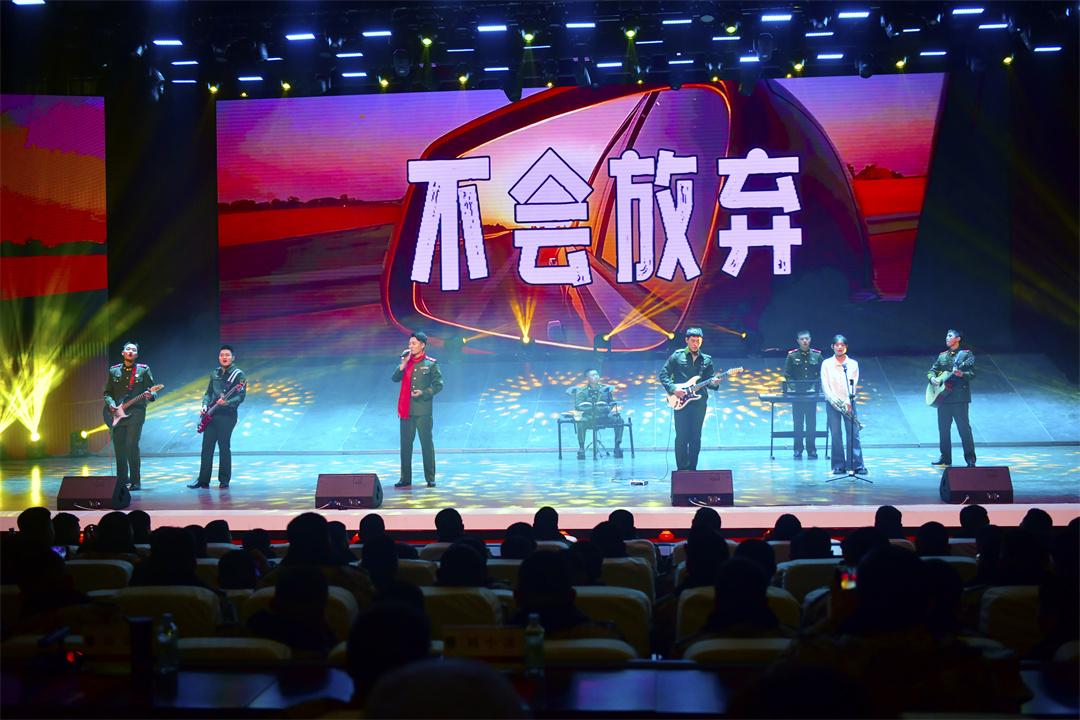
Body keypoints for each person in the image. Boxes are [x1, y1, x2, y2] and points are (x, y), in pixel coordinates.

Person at [659, 327, 726, 471]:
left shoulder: (706, 359)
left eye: (698, 341)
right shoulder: (677, 356)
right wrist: (673, 389)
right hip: (680, 401)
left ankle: (692, 469)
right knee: (682, 436)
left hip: (699, 403)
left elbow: (709, 381)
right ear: (687, 340)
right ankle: (682, 470)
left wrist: (715, 383)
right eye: (693, 341)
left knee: (695, 437)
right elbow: (663, 375)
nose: (696, 344)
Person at [103, 341, 159, 491]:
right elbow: (107, 393)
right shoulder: (114, 370)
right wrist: (111, 404)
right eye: (128, 349)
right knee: (119, 447)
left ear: (136, 354)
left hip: (136, 413)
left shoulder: (143, 370)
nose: (130, 351)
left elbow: (153, 390)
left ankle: (135, 481)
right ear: (123, 353)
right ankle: (121, 481)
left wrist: (151, 395)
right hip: (118, 414)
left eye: (133, 350)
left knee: (131, 446)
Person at [189, 345, 246, 489]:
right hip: (211, 414)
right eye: (222, 355)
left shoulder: (239, 375)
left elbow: (241, 396)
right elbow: (208, 393)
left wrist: (227, 402)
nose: (224, 357)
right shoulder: (215, 373)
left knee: (223, 447)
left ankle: (224, 480)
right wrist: (204, 405)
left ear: (233, 357)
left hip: (227, 415)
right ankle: (203, 480)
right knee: (206, 448)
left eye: (227, 355)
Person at [392, 331, 443, 489]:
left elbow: (438, 385)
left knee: (426, 444)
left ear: (422, 345)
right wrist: (403, 364)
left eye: (414, 343)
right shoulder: (406, 362)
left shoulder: (431, 364)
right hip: (406, 410)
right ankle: (405, 478)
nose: (411, 346)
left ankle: (430, 478)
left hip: (422, 411)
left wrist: (424, 393)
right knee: (405, 446)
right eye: (409, 343)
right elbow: (395, 378)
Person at [929, 329, 977, 467]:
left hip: (959, 398)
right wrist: (932, 378)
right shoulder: (942, 356)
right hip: (943, 398)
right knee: (943, 430)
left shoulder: (966, 355)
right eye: (946, 336)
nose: (947, 338)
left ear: (958, 339)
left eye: (950, 336)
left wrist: (962, 374)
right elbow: (932, 370)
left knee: (964, 430)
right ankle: (945, 457)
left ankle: (970, 459)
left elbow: (972, 373)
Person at [820, 334, 866, 475]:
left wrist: (847, 401)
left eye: (842, 345)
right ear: (832, 347)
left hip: (848, 402)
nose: (840, 347)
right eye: (837, 345)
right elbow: (825, 385)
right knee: (835, 434)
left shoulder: (853, 364)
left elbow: (853, 384)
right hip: (832, 402)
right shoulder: (826, 363)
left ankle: (857, 465)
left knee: (853, 433)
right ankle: (838, 465)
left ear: (846, 347)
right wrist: (833, 400)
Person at [566, 369, 624, 459]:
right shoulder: (582, 391)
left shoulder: (606, 389)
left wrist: (607, 409)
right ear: (587, 378)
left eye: (597, 374)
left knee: (619, 420)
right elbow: (578, 406)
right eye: (593, 375)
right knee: (580, 422)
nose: (596, 376)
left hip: (603, 416)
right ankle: (581, 448)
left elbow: (611, 402)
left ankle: (617, 446)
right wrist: (591, 408)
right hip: (589, 417)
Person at [783, 330, 822, 459]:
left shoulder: (817, 355)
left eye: (806, 339)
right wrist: (795, 388)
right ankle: (798, 449)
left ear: (810, 339)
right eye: (802, 339)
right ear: (798, 341)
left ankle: (811, 449)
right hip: (797, 395)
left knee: (811, 423)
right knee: (798, 423)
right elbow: (787, 374)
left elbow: (822, 373)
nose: (804, 341)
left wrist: (814, 386)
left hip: (811, 395)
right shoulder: (792, 356)